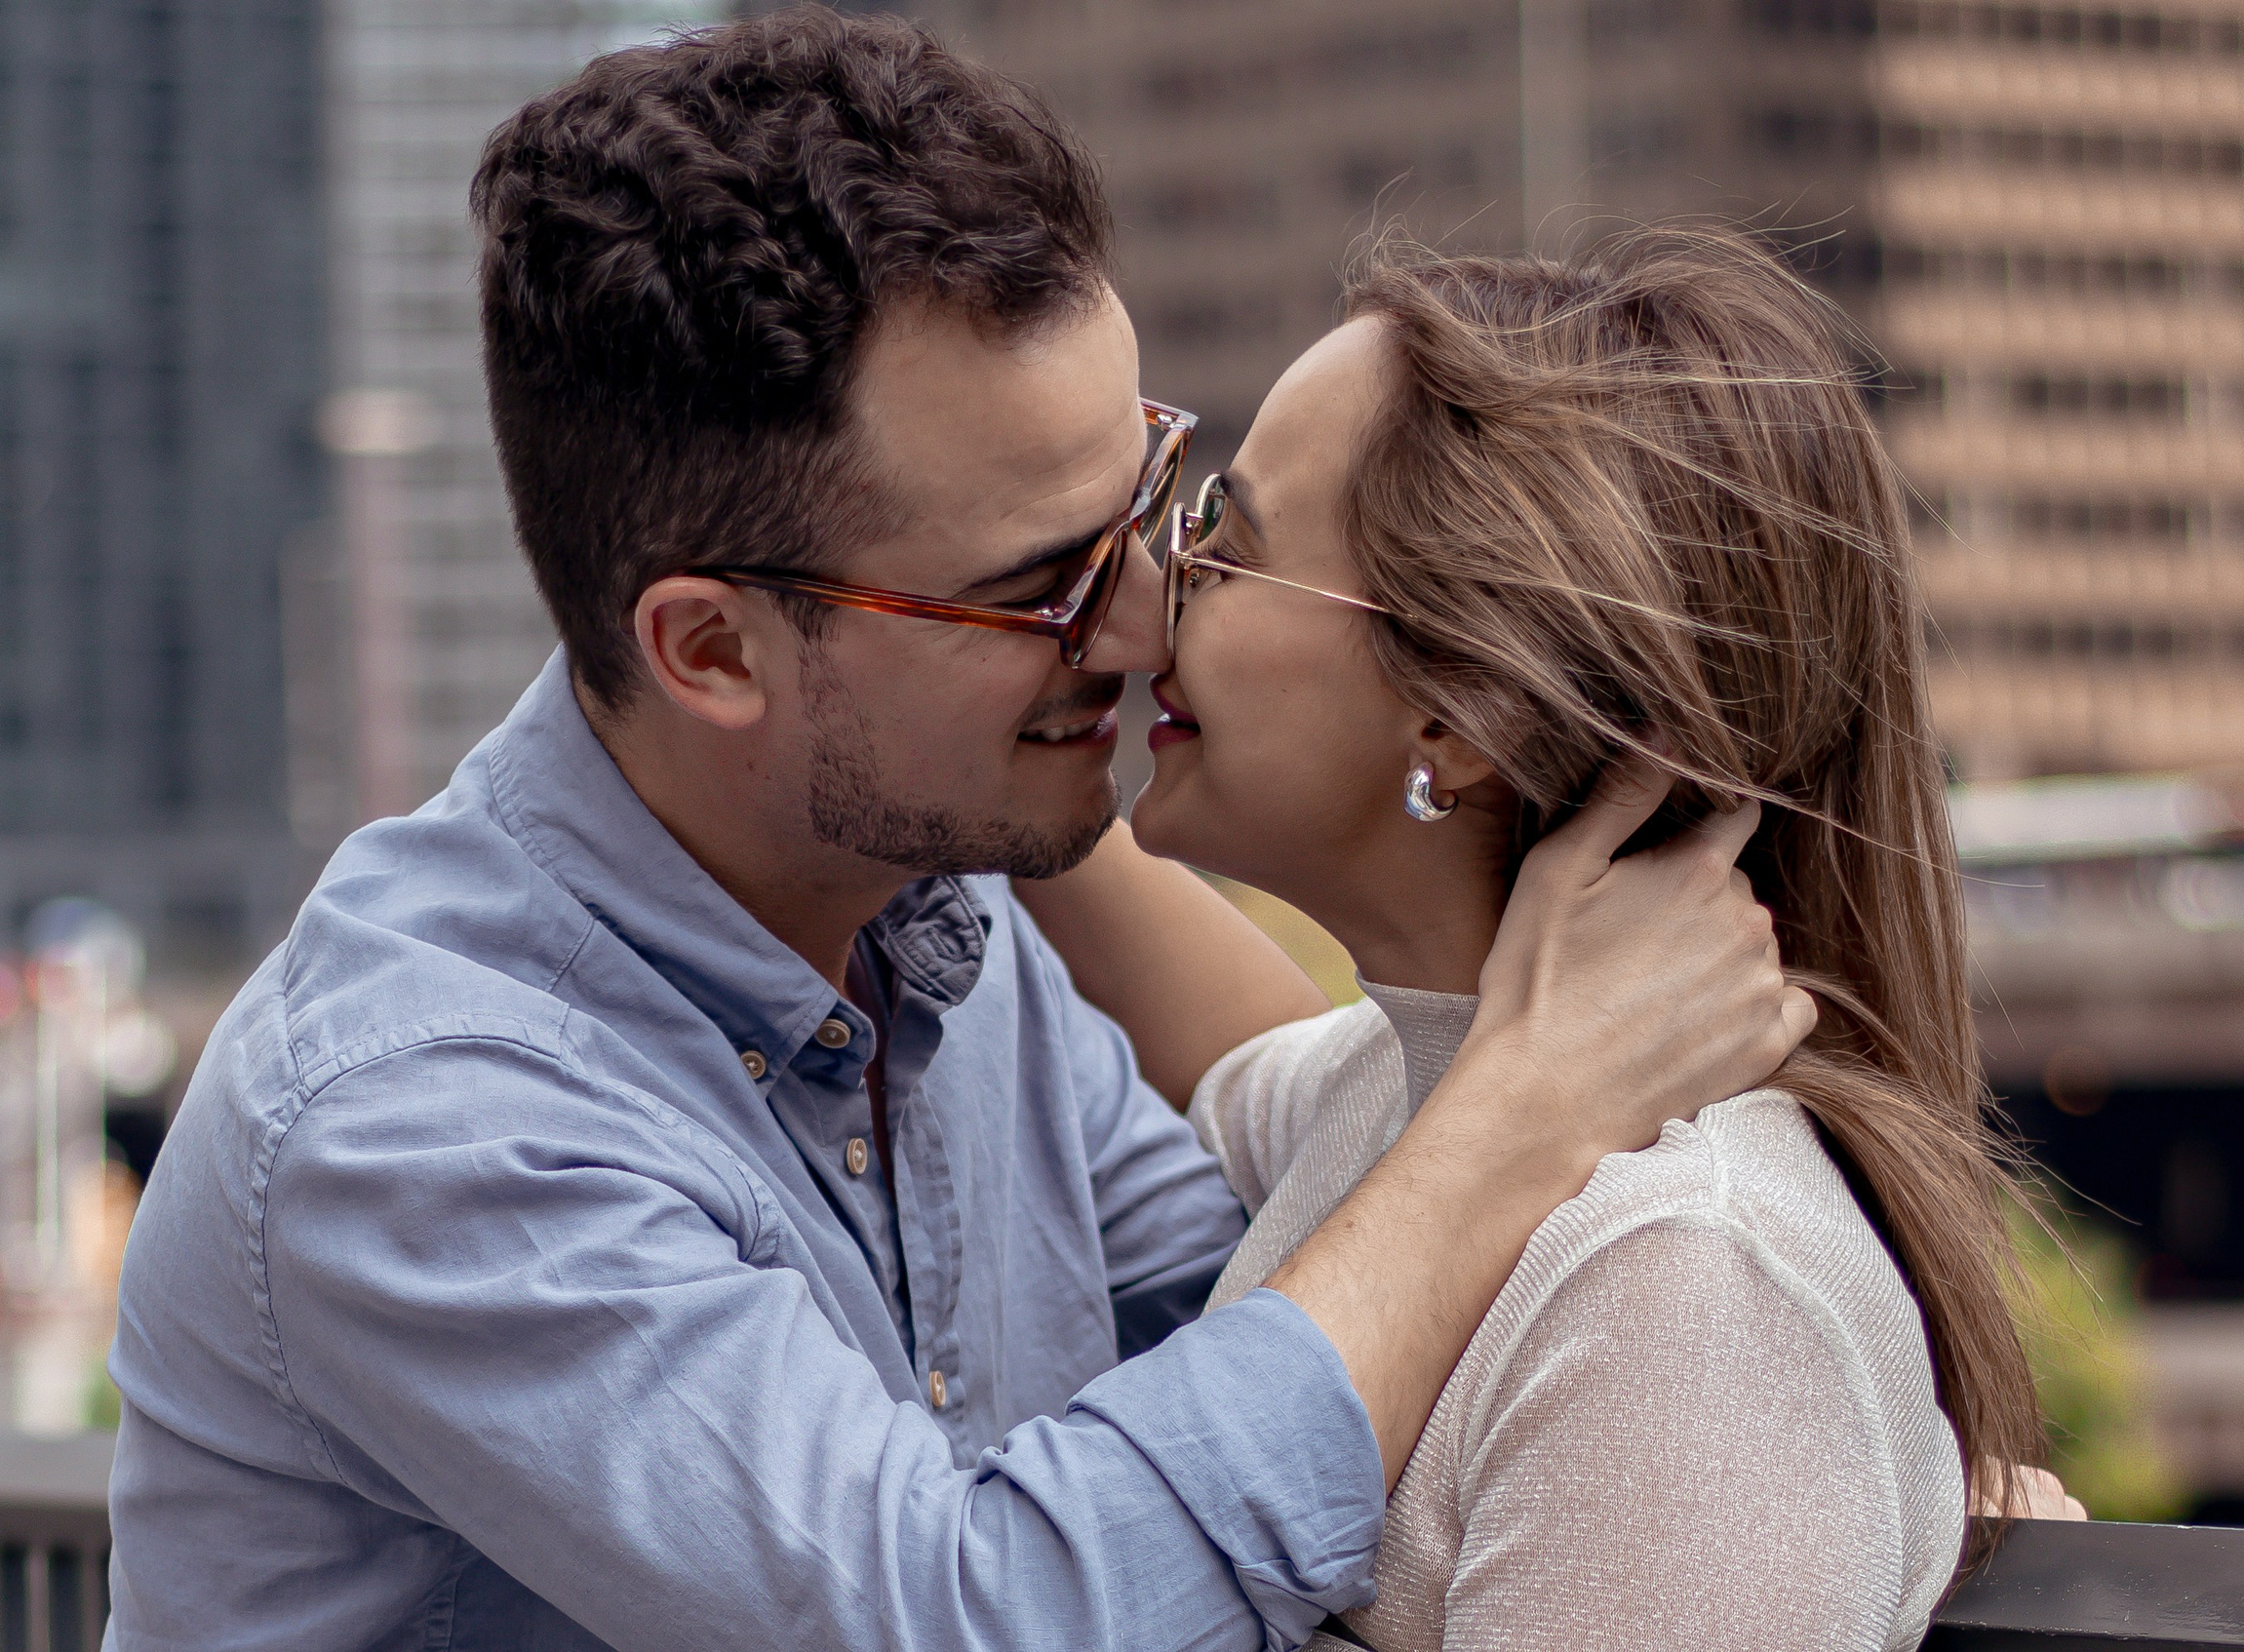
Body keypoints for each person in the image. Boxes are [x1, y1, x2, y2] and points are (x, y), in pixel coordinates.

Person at [100, 15, 1812, 1650]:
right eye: (1039, 584)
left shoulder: (937, 930)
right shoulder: (425, 1121)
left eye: (1146, 500)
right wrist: (1530, 1109)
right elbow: (975, 1616)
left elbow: (1293, 1268)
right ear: (713, 652)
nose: (1140, 622)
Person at [1081, 224, 2044, 1652]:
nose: (1152, 597)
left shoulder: (1684, 1287)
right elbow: (1237, 1053)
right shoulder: (1427, 1089)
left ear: (1457, 711)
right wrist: (985, 756)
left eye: (1232, 541)